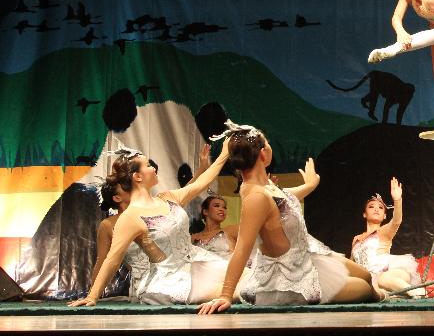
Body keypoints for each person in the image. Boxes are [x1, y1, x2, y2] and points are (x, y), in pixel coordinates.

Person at [198, 122, 379, 313]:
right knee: (365, 287)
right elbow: (242, 248)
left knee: (366, 275)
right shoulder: (255, 195)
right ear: (262, 154)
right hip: (288, 280)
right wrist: (226, 294)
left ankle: (378, 292)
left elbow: (285, 197)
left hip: (303, 261)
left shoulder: (265, 186)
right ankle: (380, 295)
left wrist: (310, 185)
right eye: (267, 145)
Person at [69, 141, 233, 306]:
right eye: (148, 165)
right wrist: (92, 296)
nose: (153, 168)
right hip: (168, 280)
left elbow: (202, 182)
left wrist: (224, 153)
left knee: (241, 279)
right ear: (137, 177)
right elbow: (111, 259)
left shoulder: (168, 197)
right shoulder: (129, 217)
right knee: (228, 291)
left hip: (197, 263)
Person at [350, 178, 425, 298]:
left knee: (383, 280)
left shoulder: (383, 231)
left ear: (385, 215)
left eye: (380, 208)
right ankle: (396, 294)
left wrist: (397, 200)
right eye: (371, 207)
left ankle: (415, 291)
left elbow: (396, 221)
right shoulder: (356, 239)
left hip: (392, 273)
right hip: (370, 280)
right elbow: (352, 265)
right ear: (364, 214)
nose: (376, 209)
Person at [89, 179, 148, 300]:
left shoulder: (152, 212)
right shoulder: (108, 225)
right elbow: (102, 262)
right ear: (117, 198)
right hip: (146, 284)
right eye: (127, 187)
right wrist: (92, 295)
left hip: (175, 273)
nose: (134, 188)